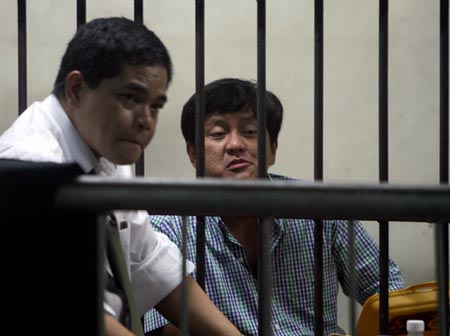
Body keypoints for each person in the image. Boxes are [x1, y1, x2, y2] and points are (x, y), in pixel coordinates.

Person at [0, 18, 243, 336]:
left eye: (155, 106)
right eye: (130, 98)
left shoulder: (103, 146)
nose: (146, 121)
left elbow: (148, 260)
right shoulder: (31, 165)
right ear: (76, 89)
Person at [143, 78, 406, 336]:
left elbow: (386, 288)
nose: (235, 145)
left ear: (273, 149)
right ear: (193, 154)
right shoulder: (168, 226)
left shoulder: (320, 209)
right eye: (218, 134)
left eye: (250, 132)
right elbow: (162, 326)